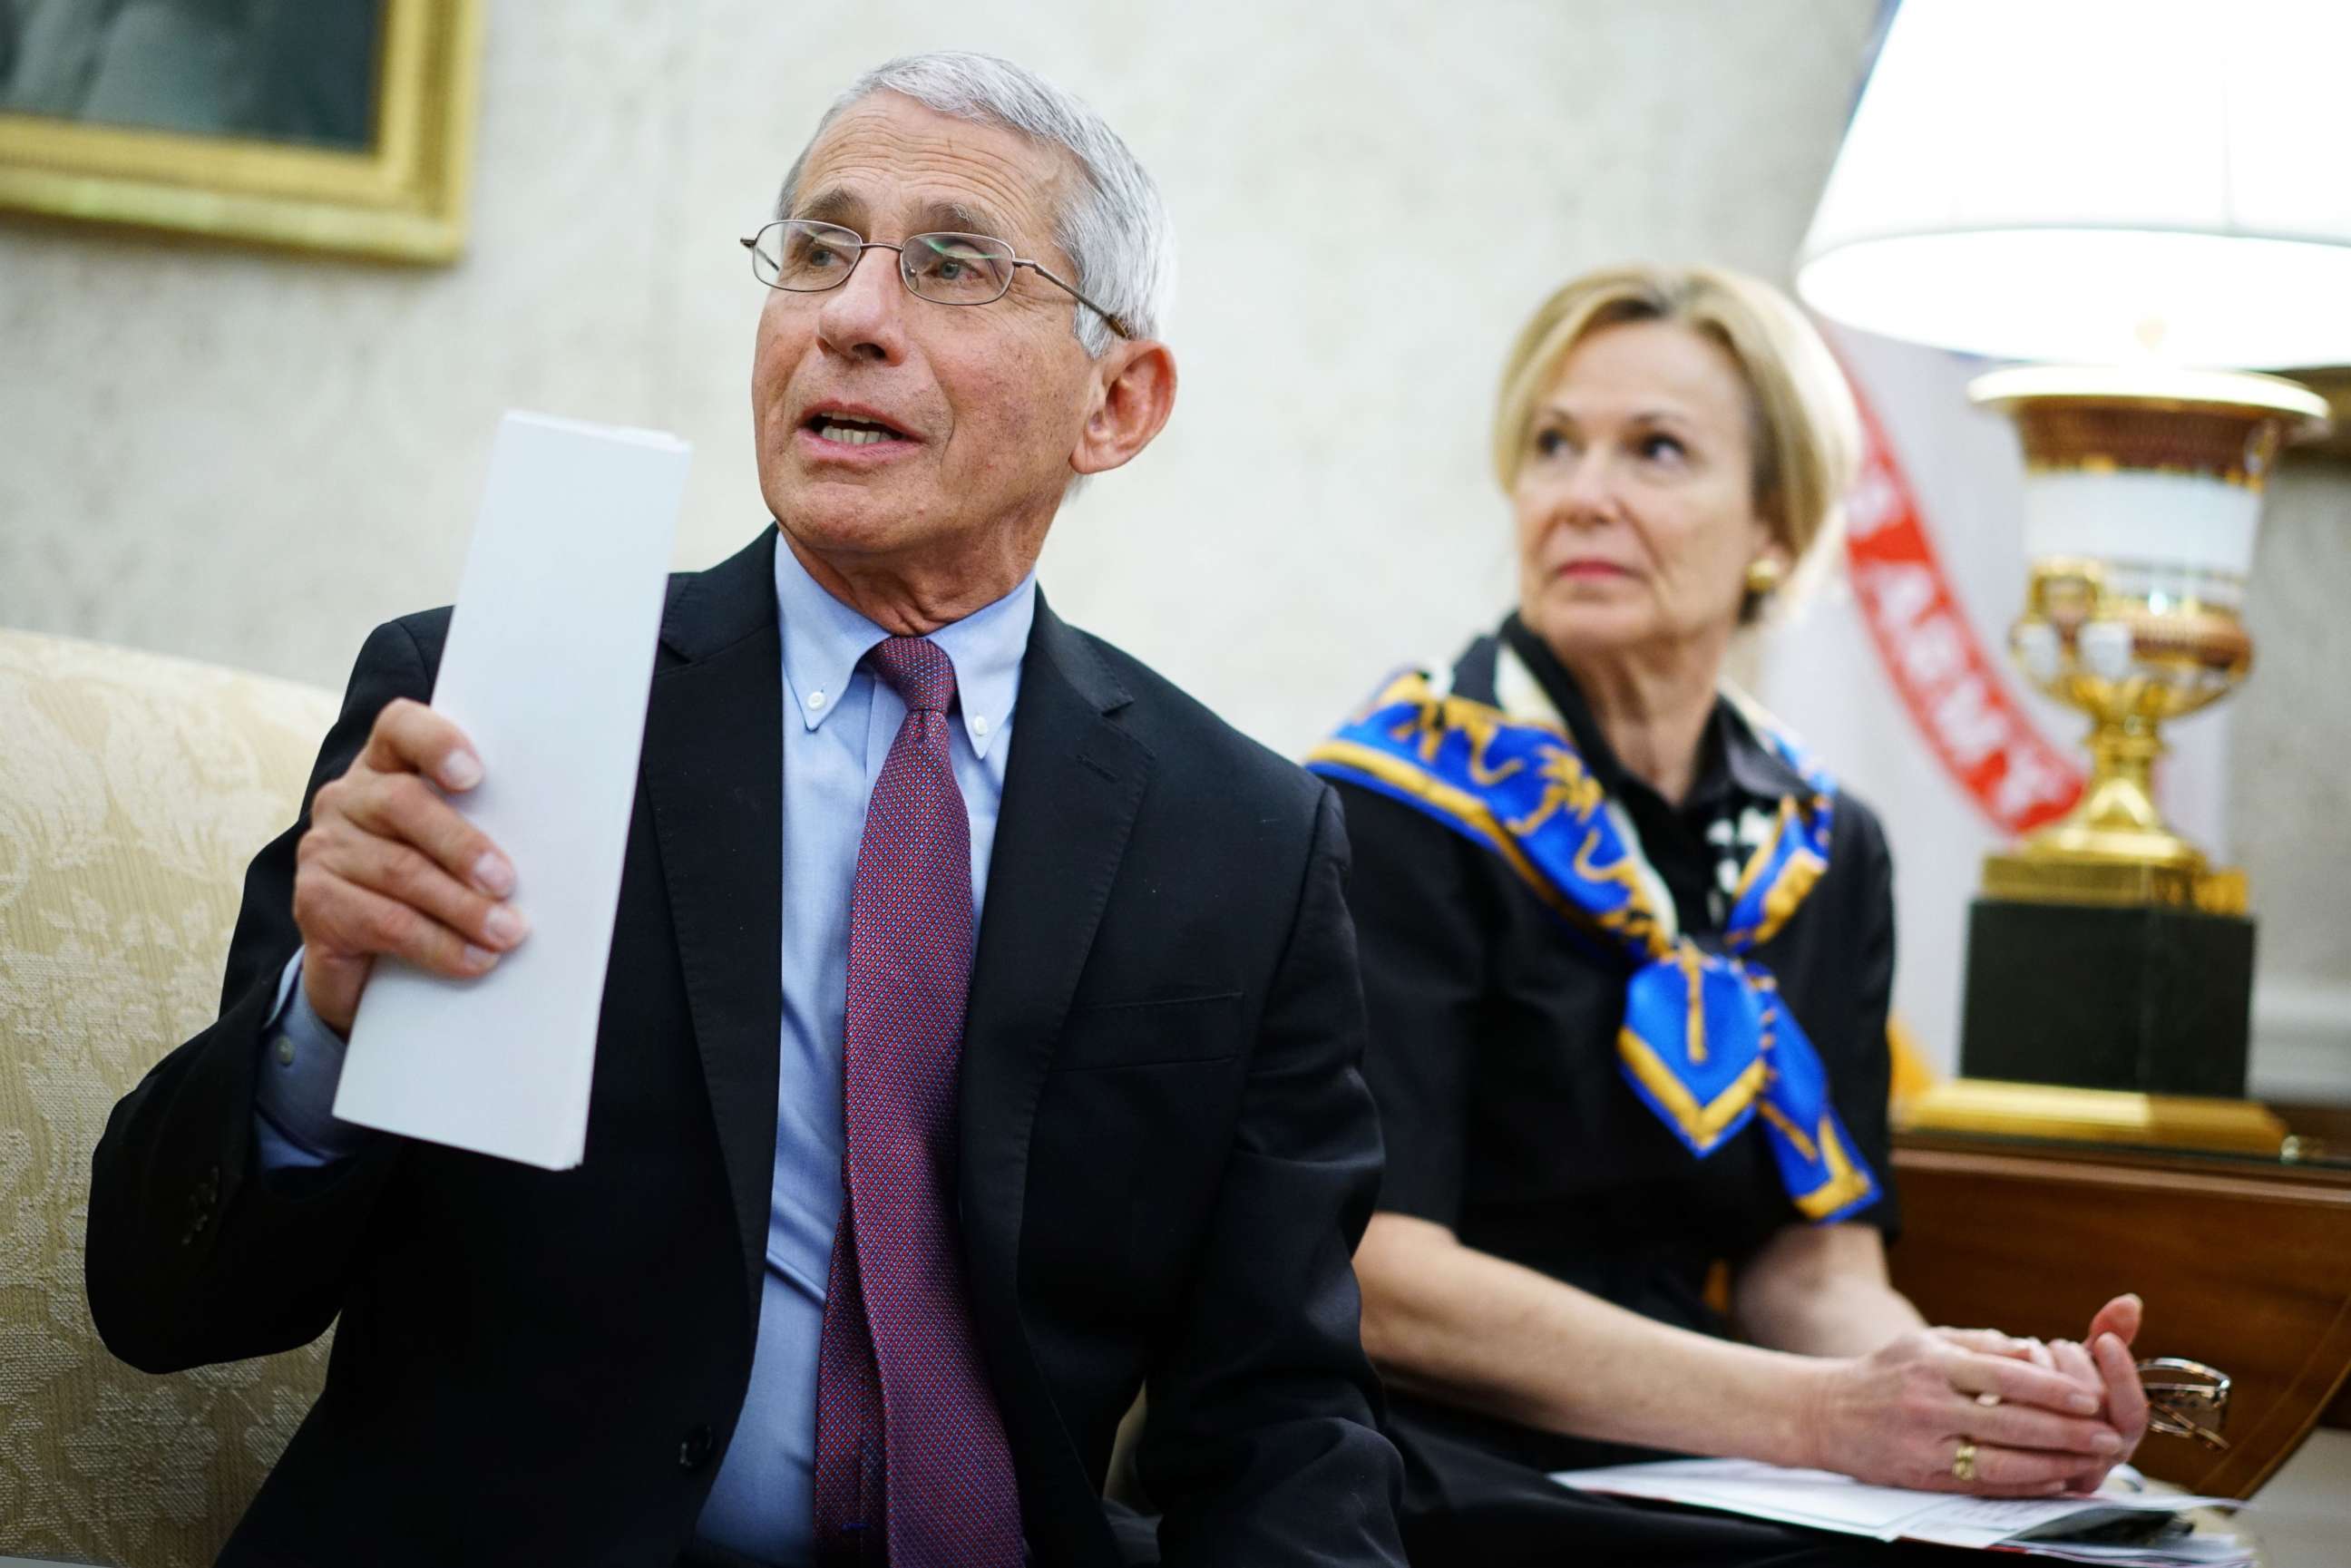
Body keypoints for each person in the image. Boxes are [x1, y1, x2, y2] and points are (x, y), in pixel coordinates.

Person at [86, 52, 1406, 1568]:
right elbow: (164, 1299)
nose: (852, 315)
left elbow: (1283, 1417)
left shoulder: (1241, 838)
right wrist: (322, 1019)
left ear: (1117, 400)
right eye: (818, 251)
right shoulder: (502, 700)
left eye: (954, 265)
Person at [1306, 264, 2150, 1566]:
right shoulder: (1391, 801)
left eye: (1656, 449)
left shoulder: (1828, 846)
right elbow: (1381, 1278)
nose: (1583, 491)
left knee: (2104, 1550)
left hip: (1701, 1446)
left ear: (1775, 524)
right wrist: (1820, 1416)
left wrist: (1981, 1402)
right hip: (1411, 1444)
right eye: (1553, 444)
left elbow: (1806, 1268)